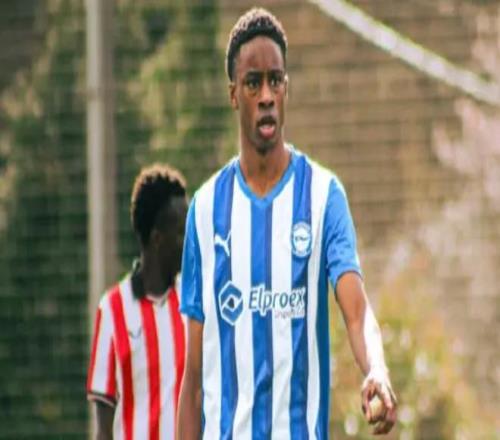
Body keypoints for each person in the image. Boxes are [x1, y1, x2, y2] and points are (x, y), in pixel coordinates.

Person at [178, 7, 397, 439]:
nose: (266, 95)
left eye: (275, 81)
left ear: (286, 89)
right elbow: (195, 380)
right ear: (234, 94)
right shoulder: (204, 211)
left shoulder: (322, 196)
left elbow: (357, 313)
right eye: (253, 82)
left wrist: (378, 368)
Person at [87, 164, 187, 440]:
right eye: (181, 232)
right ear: (157, 239)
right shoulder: (113, 310)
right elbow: (103, 430)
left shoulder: (194, 303)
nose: (189, 243)